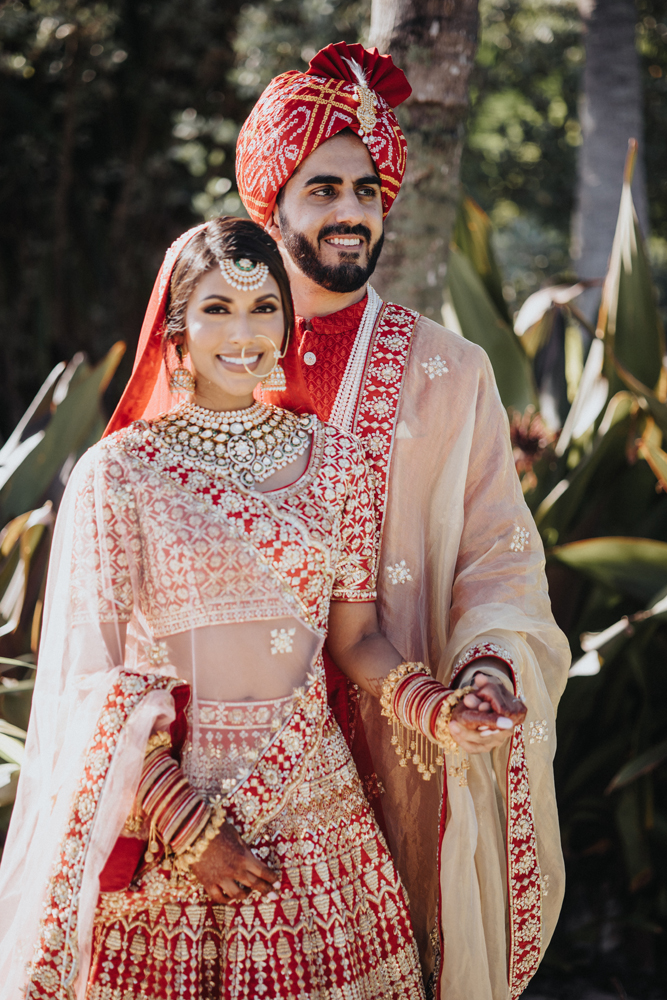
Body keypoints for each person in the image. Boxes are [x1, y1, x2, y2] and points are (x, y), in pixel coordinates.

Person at [0, 217, 525, 1000]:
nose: (243, 333)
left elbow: (357, 640)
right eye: (216, 309)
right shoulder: (121, 474)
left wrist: (437, 711)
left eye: (263, 308)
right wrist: (186, 825)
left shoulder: (335, 463)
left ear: (287, 319)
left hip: (316, 814)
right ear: (175, 327)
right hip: (173, 815)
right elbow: (89, 681)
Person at [233, 41, 572, 1000]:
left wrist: (486, 670)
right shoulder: (213, 357)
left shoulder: (450, 371)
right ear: (273, 203)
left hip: (397, 750)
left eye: (367, 189)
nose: (350, 210)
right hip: (227, 773)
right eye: (322, 188)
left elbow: (498, 556)